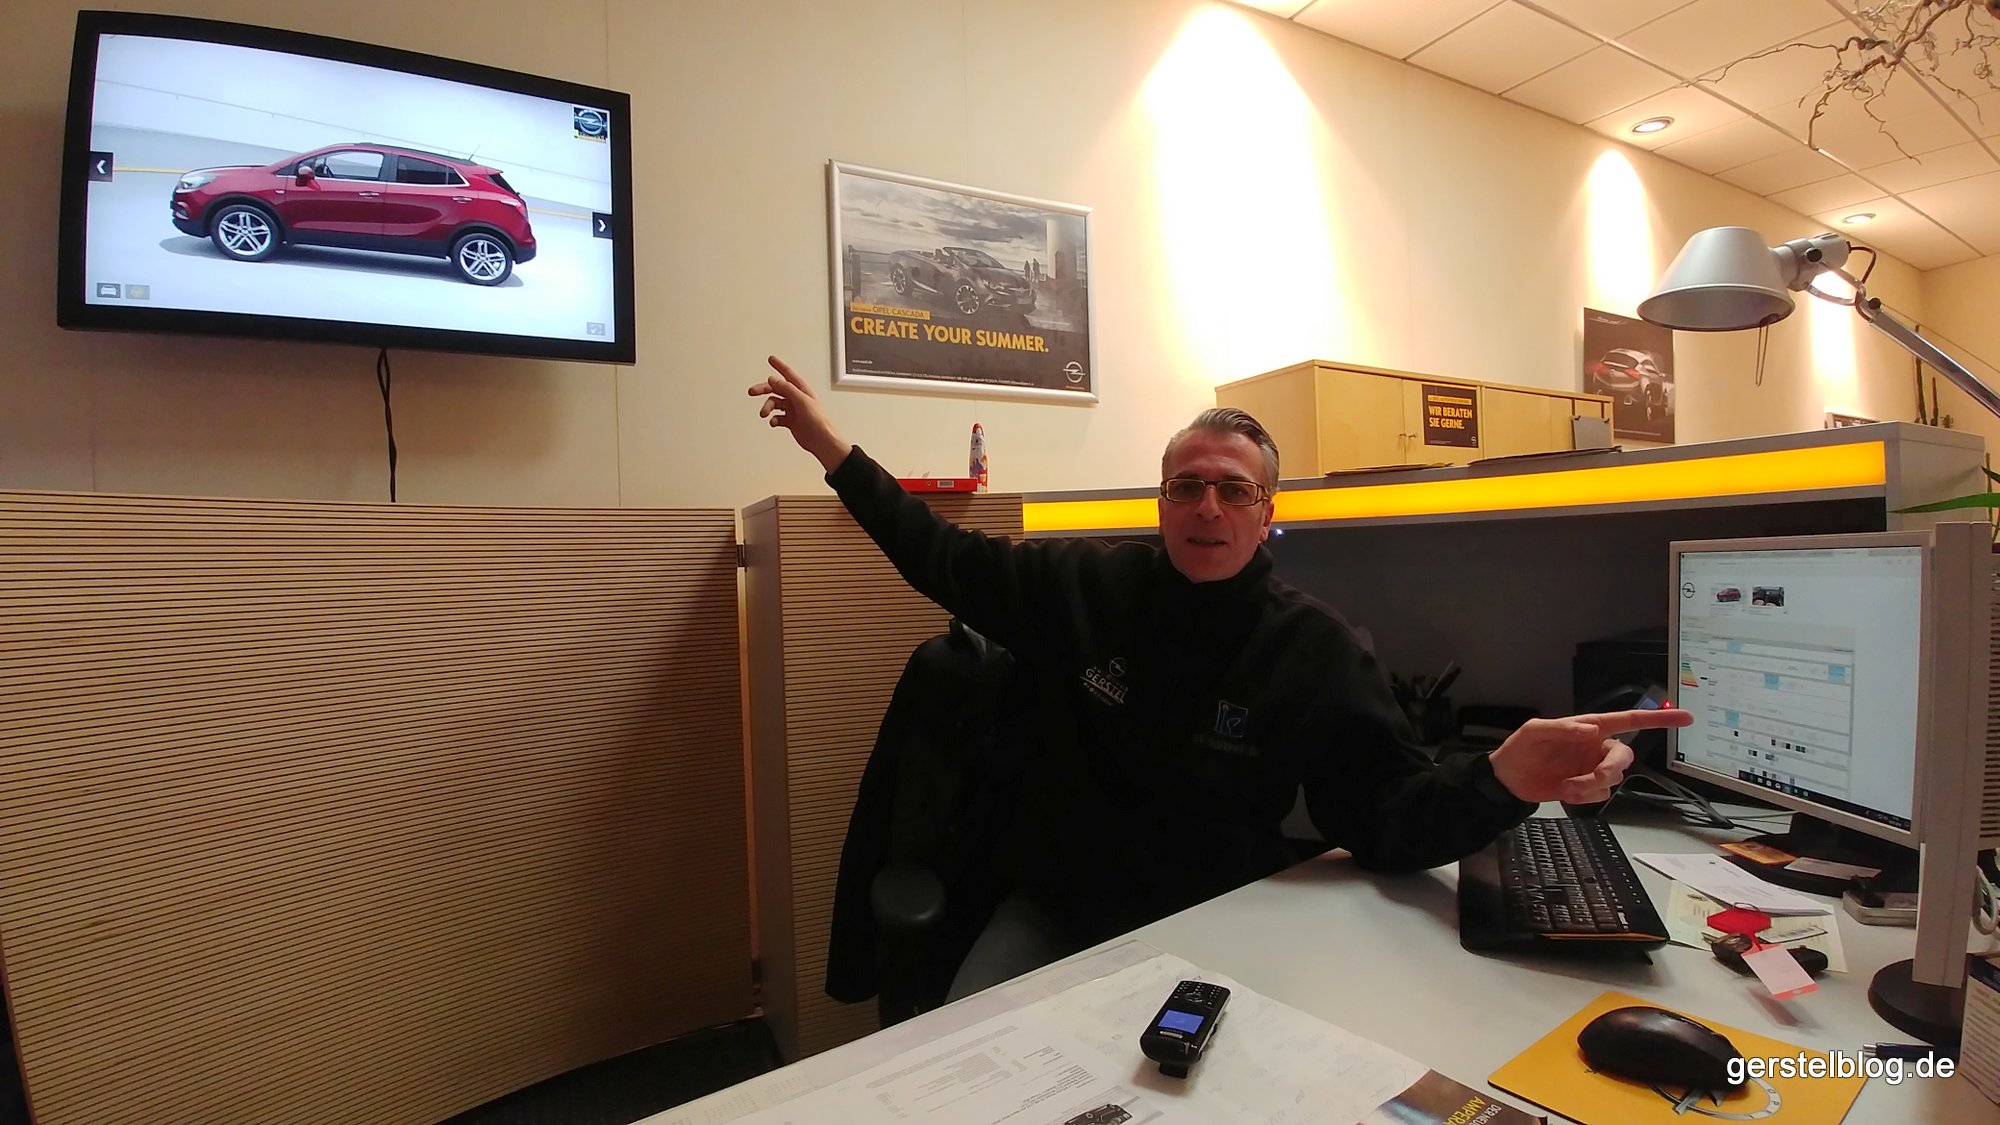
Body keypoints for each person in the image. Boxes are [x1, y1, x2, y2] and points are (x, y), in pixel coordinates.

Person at [748, 356, 1692, 1000]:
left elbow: (1388, 815)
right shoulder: (1084, 584)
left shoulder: (1314, 648)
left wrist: (1504, 778)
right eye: (1187, 486)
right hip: (1061, 904)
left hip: (1225, 914)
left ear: (1266, 511)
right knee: (971, 1058)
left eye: (1234, 489)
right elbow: (939, 555)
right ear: (1162, 502)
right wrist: (835, 451)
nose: (1208, 507)